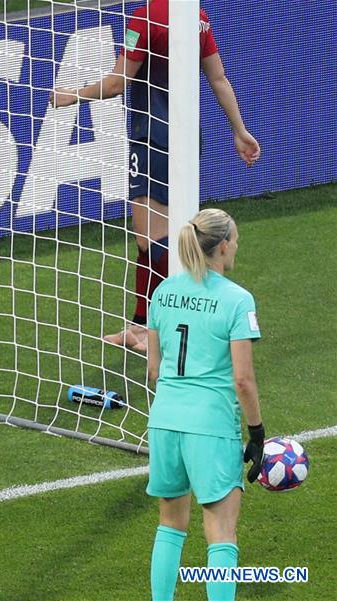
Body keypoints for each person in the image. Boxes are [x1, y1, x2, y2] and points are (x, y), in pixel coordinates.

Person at [49, 0, 261, 352]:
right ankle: (142, 326)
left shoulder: (146, 17)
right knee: (154, 236)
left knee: (153, 239)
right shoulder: (197, 17)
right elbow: (218, 78)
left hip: (151, 138)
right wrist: (239, 130)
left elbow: (117, 83)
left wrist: (72, 95)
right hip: (185, 139)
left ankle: (181, 315)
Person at [144, 208, 265, 601]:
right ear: (224, 245)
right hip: (210, 426)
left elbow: (154, 370)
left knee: (169, 526)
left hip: (164, 421)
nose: (237, 248)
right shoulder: (237, 300)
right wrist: (257, 433)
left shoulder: (162, 292)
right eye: (236, 241)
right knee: (221, 533)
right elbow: (243, 380)